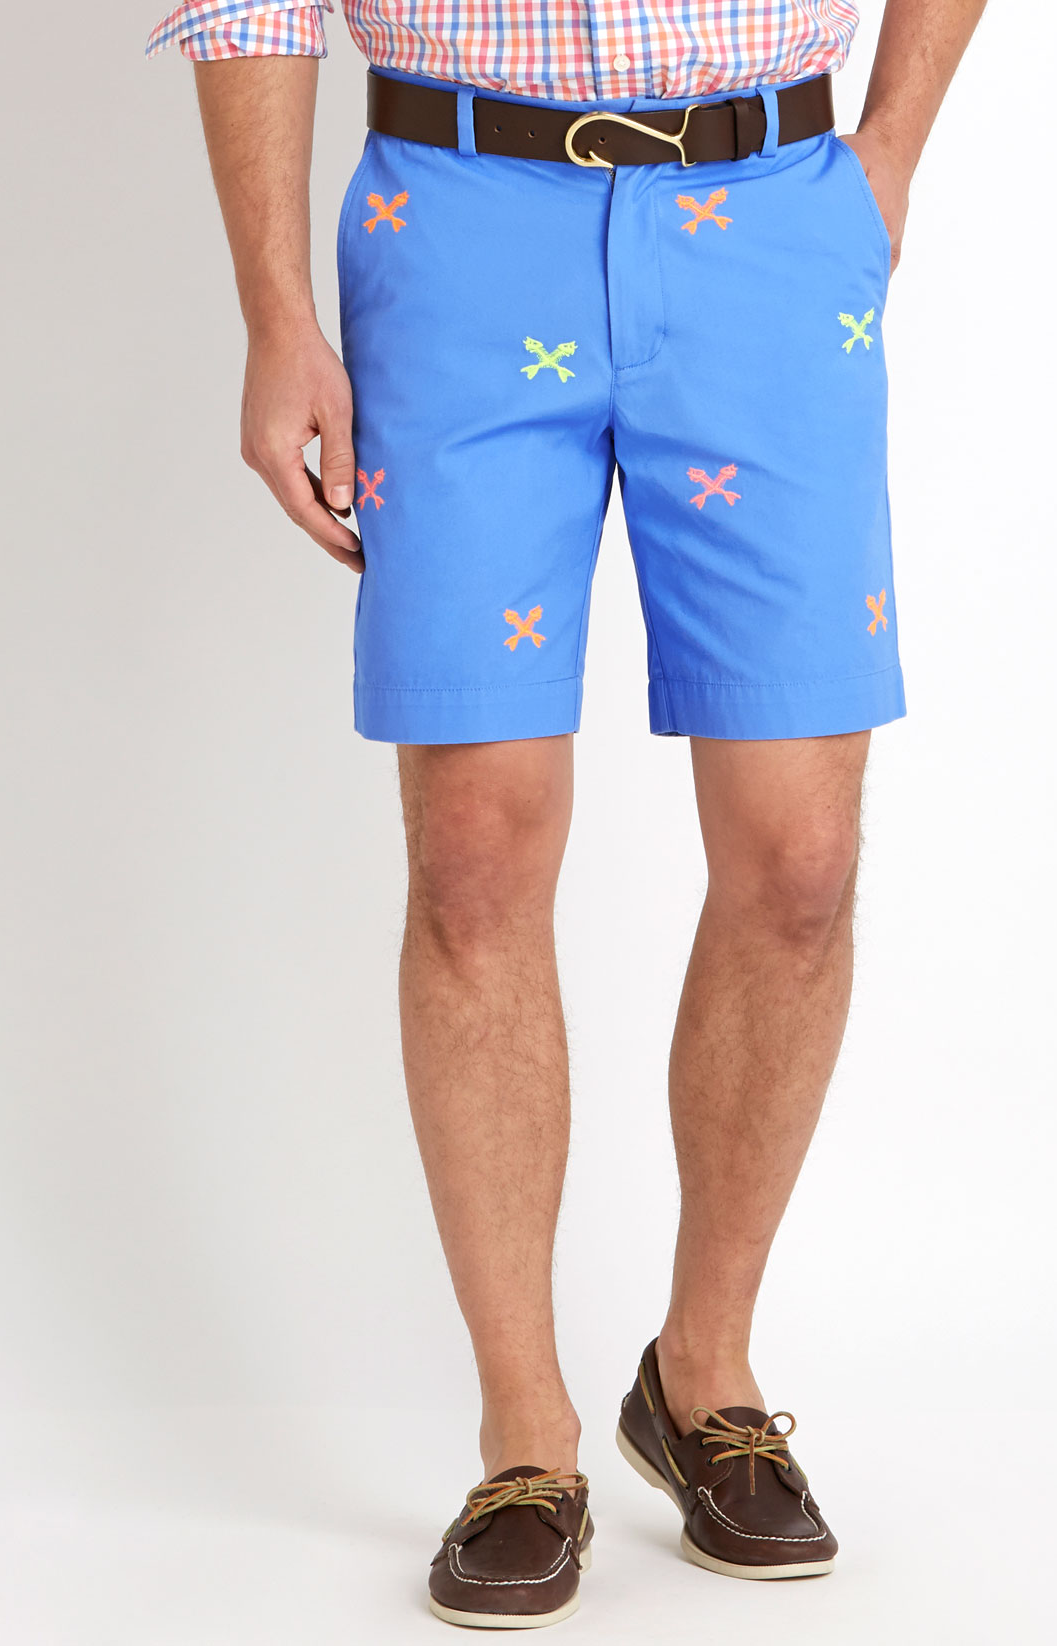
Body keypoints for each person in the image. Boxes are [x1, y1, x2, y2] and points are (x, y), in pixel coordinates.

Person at [148, 0, 986, 1625]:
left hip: (771, 215)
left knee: (802, 856)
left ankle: (704, 1373)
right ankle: (524, 1437)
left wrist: (891, 147)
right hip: (456, 222)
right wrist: (273, 308)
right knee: (474, 849)